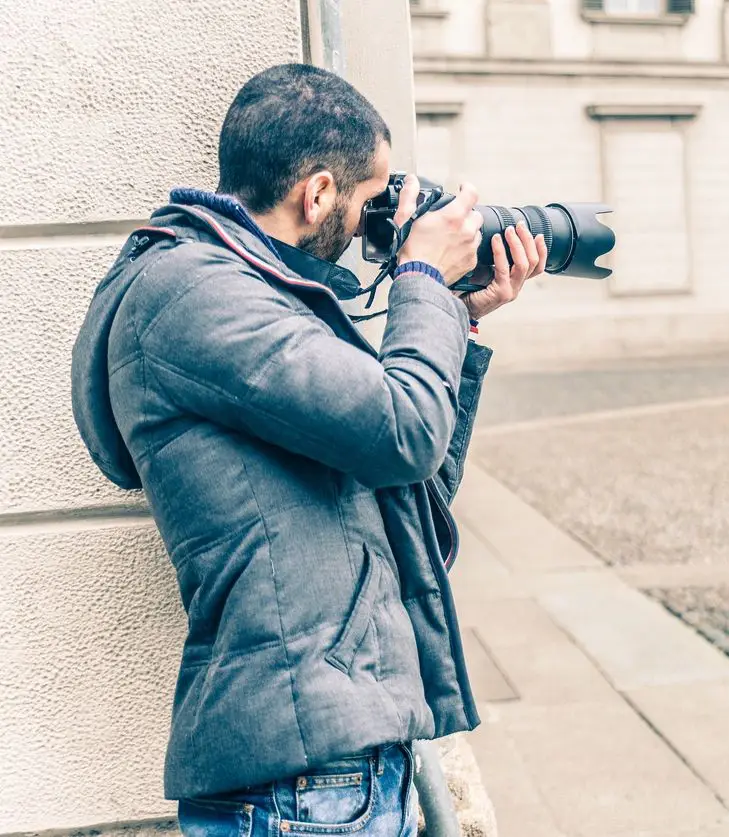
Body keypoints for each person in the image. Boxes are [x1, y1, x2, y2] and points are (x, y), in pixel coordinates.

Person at [69, 63, 546, 835]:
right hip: (304, 780)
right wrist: (421, 274)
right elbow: (405, 431)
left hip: (327, 766)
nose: (372, 227)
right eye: (369, 201)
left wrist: (459, 316)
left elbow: (415, 483)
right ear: (318, 193)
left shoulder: (262, 299)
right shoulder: (199, 296)